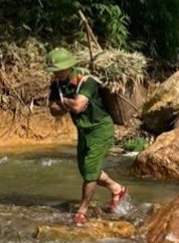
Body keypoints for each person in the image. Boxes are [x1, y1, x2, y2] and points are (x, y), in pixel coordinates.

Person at [46, 48, 127, 226]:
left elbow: (77, 106)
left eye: (59, 70)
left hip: (100, 129)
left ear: (69, 67)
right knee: (86, 169)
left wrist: (63, 102)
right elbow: (53, 111)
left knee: (90, 170)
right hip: (83, 131)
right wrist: (67, 103)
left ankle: (82, 211)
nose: (56, 73)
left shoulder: (86, 81)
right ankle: (117, 189)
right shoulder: (57, 85)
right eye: (54, 70)